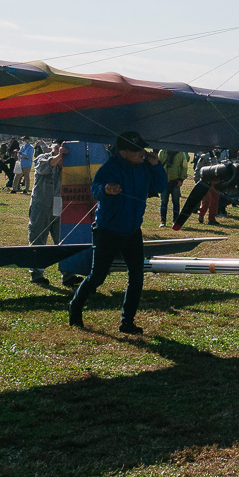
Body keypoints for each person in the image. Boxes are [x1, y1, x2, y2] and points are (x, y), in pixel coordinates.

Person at [67, 132, 169, 333]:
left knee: (137, 277)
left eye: (142, 148)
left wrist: (156, 165)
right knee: (97, 277)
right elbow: (95, 189)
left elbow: (160, 186)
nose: (142, 153)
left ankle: (127, 322)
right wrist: (105, 189)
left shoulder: (145, 167)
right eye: (136, 150)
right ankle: (75, 306)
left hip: (132, 230)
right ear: (123, 153)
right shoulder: (110, 167)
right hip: (108, 230)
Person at [28, 142, 65, 285]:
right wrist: (58, 156)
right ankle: (36, 274)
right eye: (57, 146)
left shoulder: (69, 164)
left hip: (59, 206)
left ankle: (68, 273)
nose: (60, 150)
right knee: (37, 239)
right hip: (41, 205)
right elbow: (44, 167)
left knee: (63, 240)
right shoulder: (42, 158)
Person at [158, 149, 189, 225]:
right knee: (163, 202)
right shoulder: (162, 152)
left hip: (176, 182)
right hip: (164, 181)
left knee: (176, 202)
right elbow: (158, 165)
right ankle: (163, 221)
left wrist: (181, 179)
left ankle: (175, 221)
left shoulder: (181, 153)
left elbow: (184, 167)